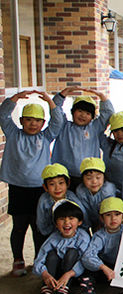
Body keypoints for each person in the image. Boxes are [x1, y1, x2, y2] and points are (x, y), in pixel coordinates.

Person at [0, 90, 64, 276]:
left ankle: (39, 259)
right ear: (21, 121)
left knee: (39, 227)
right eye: (28, 119)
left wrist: (51, 103)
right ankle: (18, 260)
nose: (32, 124)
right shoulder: (13, 134)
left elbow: (57, 121)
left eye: (37, 120)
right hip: (18, 188)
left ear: (43, 124)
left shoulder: (45, 137)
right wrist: (15, 98)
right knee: (19, 226)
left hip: (40, 190)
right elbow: (3, 115)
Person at [51, 87, 114, 190]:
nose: (83, 115)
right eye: (80, 111)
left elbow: (108, 114)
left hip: (89, 176)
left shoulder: (94, 127)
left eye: (88, 113)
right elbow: (55, 109)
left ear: (92, 117)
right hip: (65, 176)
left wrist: (102, 97)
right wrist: (63, 94)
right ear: (72, 112)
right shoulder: (63, 126)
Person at [33, 200, 90, 294]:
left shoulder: (83, 237)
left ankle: (62, 292)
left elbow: (86, 260)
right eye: (62, 219)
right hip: (55, 274)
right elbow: (40, 258)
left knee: (72, 252)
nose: (66, 223)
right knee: (52, 255)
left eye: (71, 218)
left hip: (73, 274)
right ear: (56, 224)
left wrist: (69, 274)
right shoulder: (53, 237)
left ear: (79, 222)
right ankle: (47, 292)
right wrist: (45, 274)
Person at [79, 197, 123, 294]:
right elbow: (88, 256)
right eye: (108, 215)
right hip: (106, 269)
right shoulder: (100, 236)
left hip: (122, 266)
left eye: (117, 214)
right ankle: (88, 291)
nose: (113, 218)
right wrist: (103, 267)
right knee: (87, 269)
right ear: (101, 218)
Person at [37, 163, 87, 237]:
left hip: (74, 233)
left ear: (68, 183)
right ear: (45, 187)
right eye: (52, 184)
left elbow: (83, 215)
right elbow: (41, 222)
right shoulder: (44, 201)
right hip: (52, 234)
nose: (57, 188)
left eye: (61, 183)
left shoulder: (71, 197)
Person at [75, 157, 116, 231]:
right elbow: (84, 211)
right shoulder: (80, 191)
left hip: (107, 221)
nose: (94, 181)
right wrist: (87, 226)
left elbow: (109, 210)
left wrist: (103, 224)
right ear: (82, 179)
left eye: (98, 177)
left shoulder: (108, 190)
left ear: (104, 177)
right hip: (90, 219)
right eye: (89, 178)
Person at [100, 111, 123, 192]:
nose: (119, 134)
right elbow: (98, 132)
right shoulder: (107, 145)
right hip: (111, 188)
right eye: (115, 131)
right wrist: (107, 121)